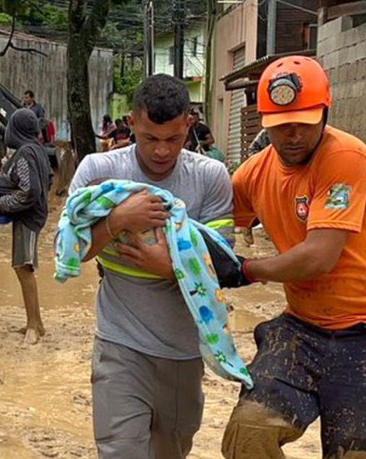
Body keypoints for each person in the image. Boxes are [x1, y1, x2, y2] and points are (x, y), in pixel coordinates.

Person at [222, 56, 366, 458]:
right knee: (248, 434)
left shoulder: (346, 158)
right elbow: (206, 228)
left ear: (325, 113)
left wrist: (245, 270)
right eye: (280, 125)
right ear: (264, 123)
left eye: (304, 123)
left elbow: (319, 257)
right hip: (301, 331)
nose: (292, 135)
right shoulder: (253, 174)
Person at [69, 74, 235, 458]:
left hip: (184, 352)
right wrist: (117, 221)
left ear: (188, 125)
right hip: (119, 342)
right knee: (119, 451)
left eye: (173, 140)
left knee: (171, 451)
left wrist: (171, 267)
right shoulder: (98, 172)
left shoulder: (210, 177)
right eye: (150, 138)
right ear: (131, 124)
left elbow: (224, 267)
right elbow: (71, 252)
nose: (161, 152)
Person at [0, 108, 53, 345]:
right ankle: (34, 321)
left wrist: (3, 203)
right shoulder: (37, 149)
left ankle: (34, 326)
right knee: (22, 267)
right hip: (33, 214)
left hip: (28, 216)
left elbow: (29, 190)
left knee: (24, 268)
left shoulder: (25, 153)